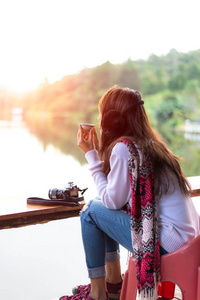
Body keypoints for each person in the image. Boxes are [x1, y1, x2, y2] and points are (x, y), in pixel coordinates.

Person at [59, 86, 200, 300]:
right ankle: (113, 284)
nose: (99, 118)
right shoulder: (152, 144)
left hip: (167, 245)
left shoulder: (124, 148)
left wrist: (92, 156)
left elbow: (112, 201)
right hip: (188, 242)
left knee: (89, 212)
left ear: (112, 120)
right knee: (98, 206)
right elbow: (115, 195)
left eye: (102, 113)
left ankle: (98, 294)